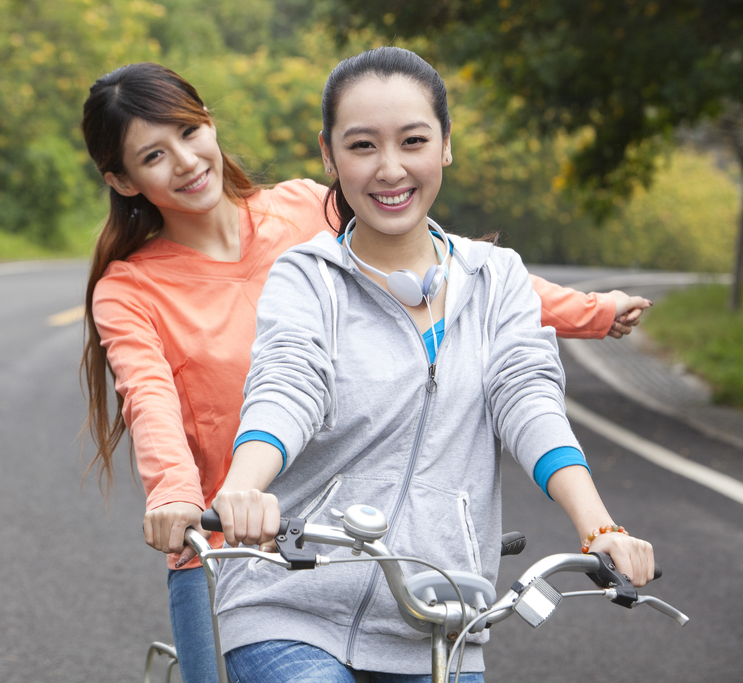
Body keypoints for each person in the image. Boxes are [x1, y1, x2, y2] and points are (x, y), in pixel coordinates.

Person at [80, 62, 650, 683]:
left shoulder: (302, 208)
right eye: (155, 155)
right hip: (231, 532)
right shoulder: (137, 289)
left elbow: (448, 276)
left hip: (390, 553)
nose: (186, 162)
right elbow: (168, 401)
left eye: (189, 134)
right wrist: (181, 500)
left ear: (210, 127)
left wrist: (590, 312)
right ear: (123, 179)